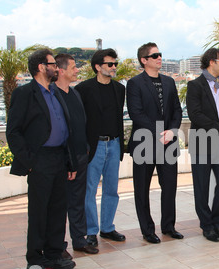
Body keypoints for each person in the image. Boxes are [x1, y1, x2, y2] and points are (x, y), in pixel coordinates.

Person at [6, 48, 77, 269]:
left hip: (59, 158)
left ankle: (54, 254)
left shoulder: (55, 92)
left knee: (58, 210)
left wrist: (69, 162)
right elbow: (14, 131)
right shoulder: (24, 94)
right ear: (40, 67)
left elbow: (64, 130)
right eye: (52, 64)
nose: (57, 68)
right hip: (39, 160)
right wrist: (29, 162)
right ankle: (35, 260)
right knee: (39, 213)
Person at [126, 43, 183, 244]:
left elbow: (177, 110)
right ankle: (148, 230)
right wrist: (160, 132)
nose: (160, 58)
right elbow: (136, 114)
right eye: (155, 55)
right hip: (144, 143)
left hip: (168, 143)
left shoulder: (169, 82)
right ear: (144, 60)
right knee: (141, 189)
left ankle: (168, 227)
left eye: (160, 54)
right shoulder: (134, 83)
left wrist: (172, 131)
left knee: (170, 187)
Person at [75, 49, 126, 247]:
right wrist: (85, 146)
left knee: (112, 189)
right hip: (94, 146)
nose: (114, 67)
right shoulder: (83, 89)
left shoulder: (119, 89)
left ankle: (107, 228)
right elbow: (79, 121)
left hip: (114, 144)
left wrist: (120, 145)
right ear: (97, 67)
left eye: (115, 64)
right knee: (89, 191)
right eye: (110, 64)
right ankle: (90, 231)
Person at [186, 48, 219, 242]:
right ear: (212, 62)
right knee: (202, 187)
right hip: (201, 142)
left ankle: (217, 223)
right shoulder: (195, 85)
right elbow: (196, 116)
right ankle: (206, 226)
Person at [54, 54, 99, 254]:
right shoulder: (52, 95)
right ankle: (57, 245)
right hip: (63, 159)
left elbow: (82, 123)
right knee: (59, 204)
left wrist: (87, 148)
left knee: (78, 201)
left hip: (81, 156)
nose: (77, 70)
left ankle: (79, 241)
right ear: (60, 70)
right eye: (73, 67)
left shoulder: (74, 93)